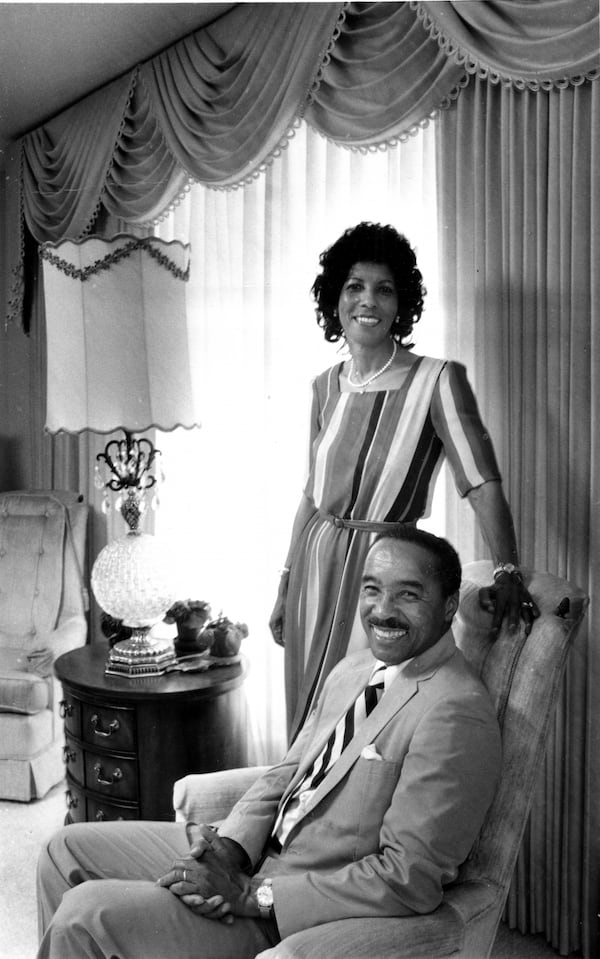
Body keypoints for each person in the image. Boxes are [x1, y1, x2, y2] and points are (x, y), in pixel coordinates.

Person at [37, 528, 502, 959]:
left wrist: (251, 895)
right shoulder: (355, 670)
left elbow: (408, 878)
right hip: (251, 855)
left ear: (447, 606)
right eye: (372, 588)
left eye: (409, 594)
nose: (382, 610)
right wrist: (229, 850)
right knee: (64, 851)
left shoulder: (455, 711)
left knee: (84, 915)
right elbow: (287, 773)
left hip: (289, 907)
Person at [269, 221, 537, 739]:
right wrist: (284, 582)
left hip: (384, 572)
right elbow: (311, 494)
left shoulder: (436, 380)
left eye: (383, 289)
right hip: (313, 570)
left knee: (362, 722)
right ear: (335, 300)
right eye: (354, 287)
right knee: (307, 719)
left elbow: (480, 483)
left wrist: (508, 568)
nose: (367, 300)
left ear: (401, 304)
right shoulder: (325, 386)